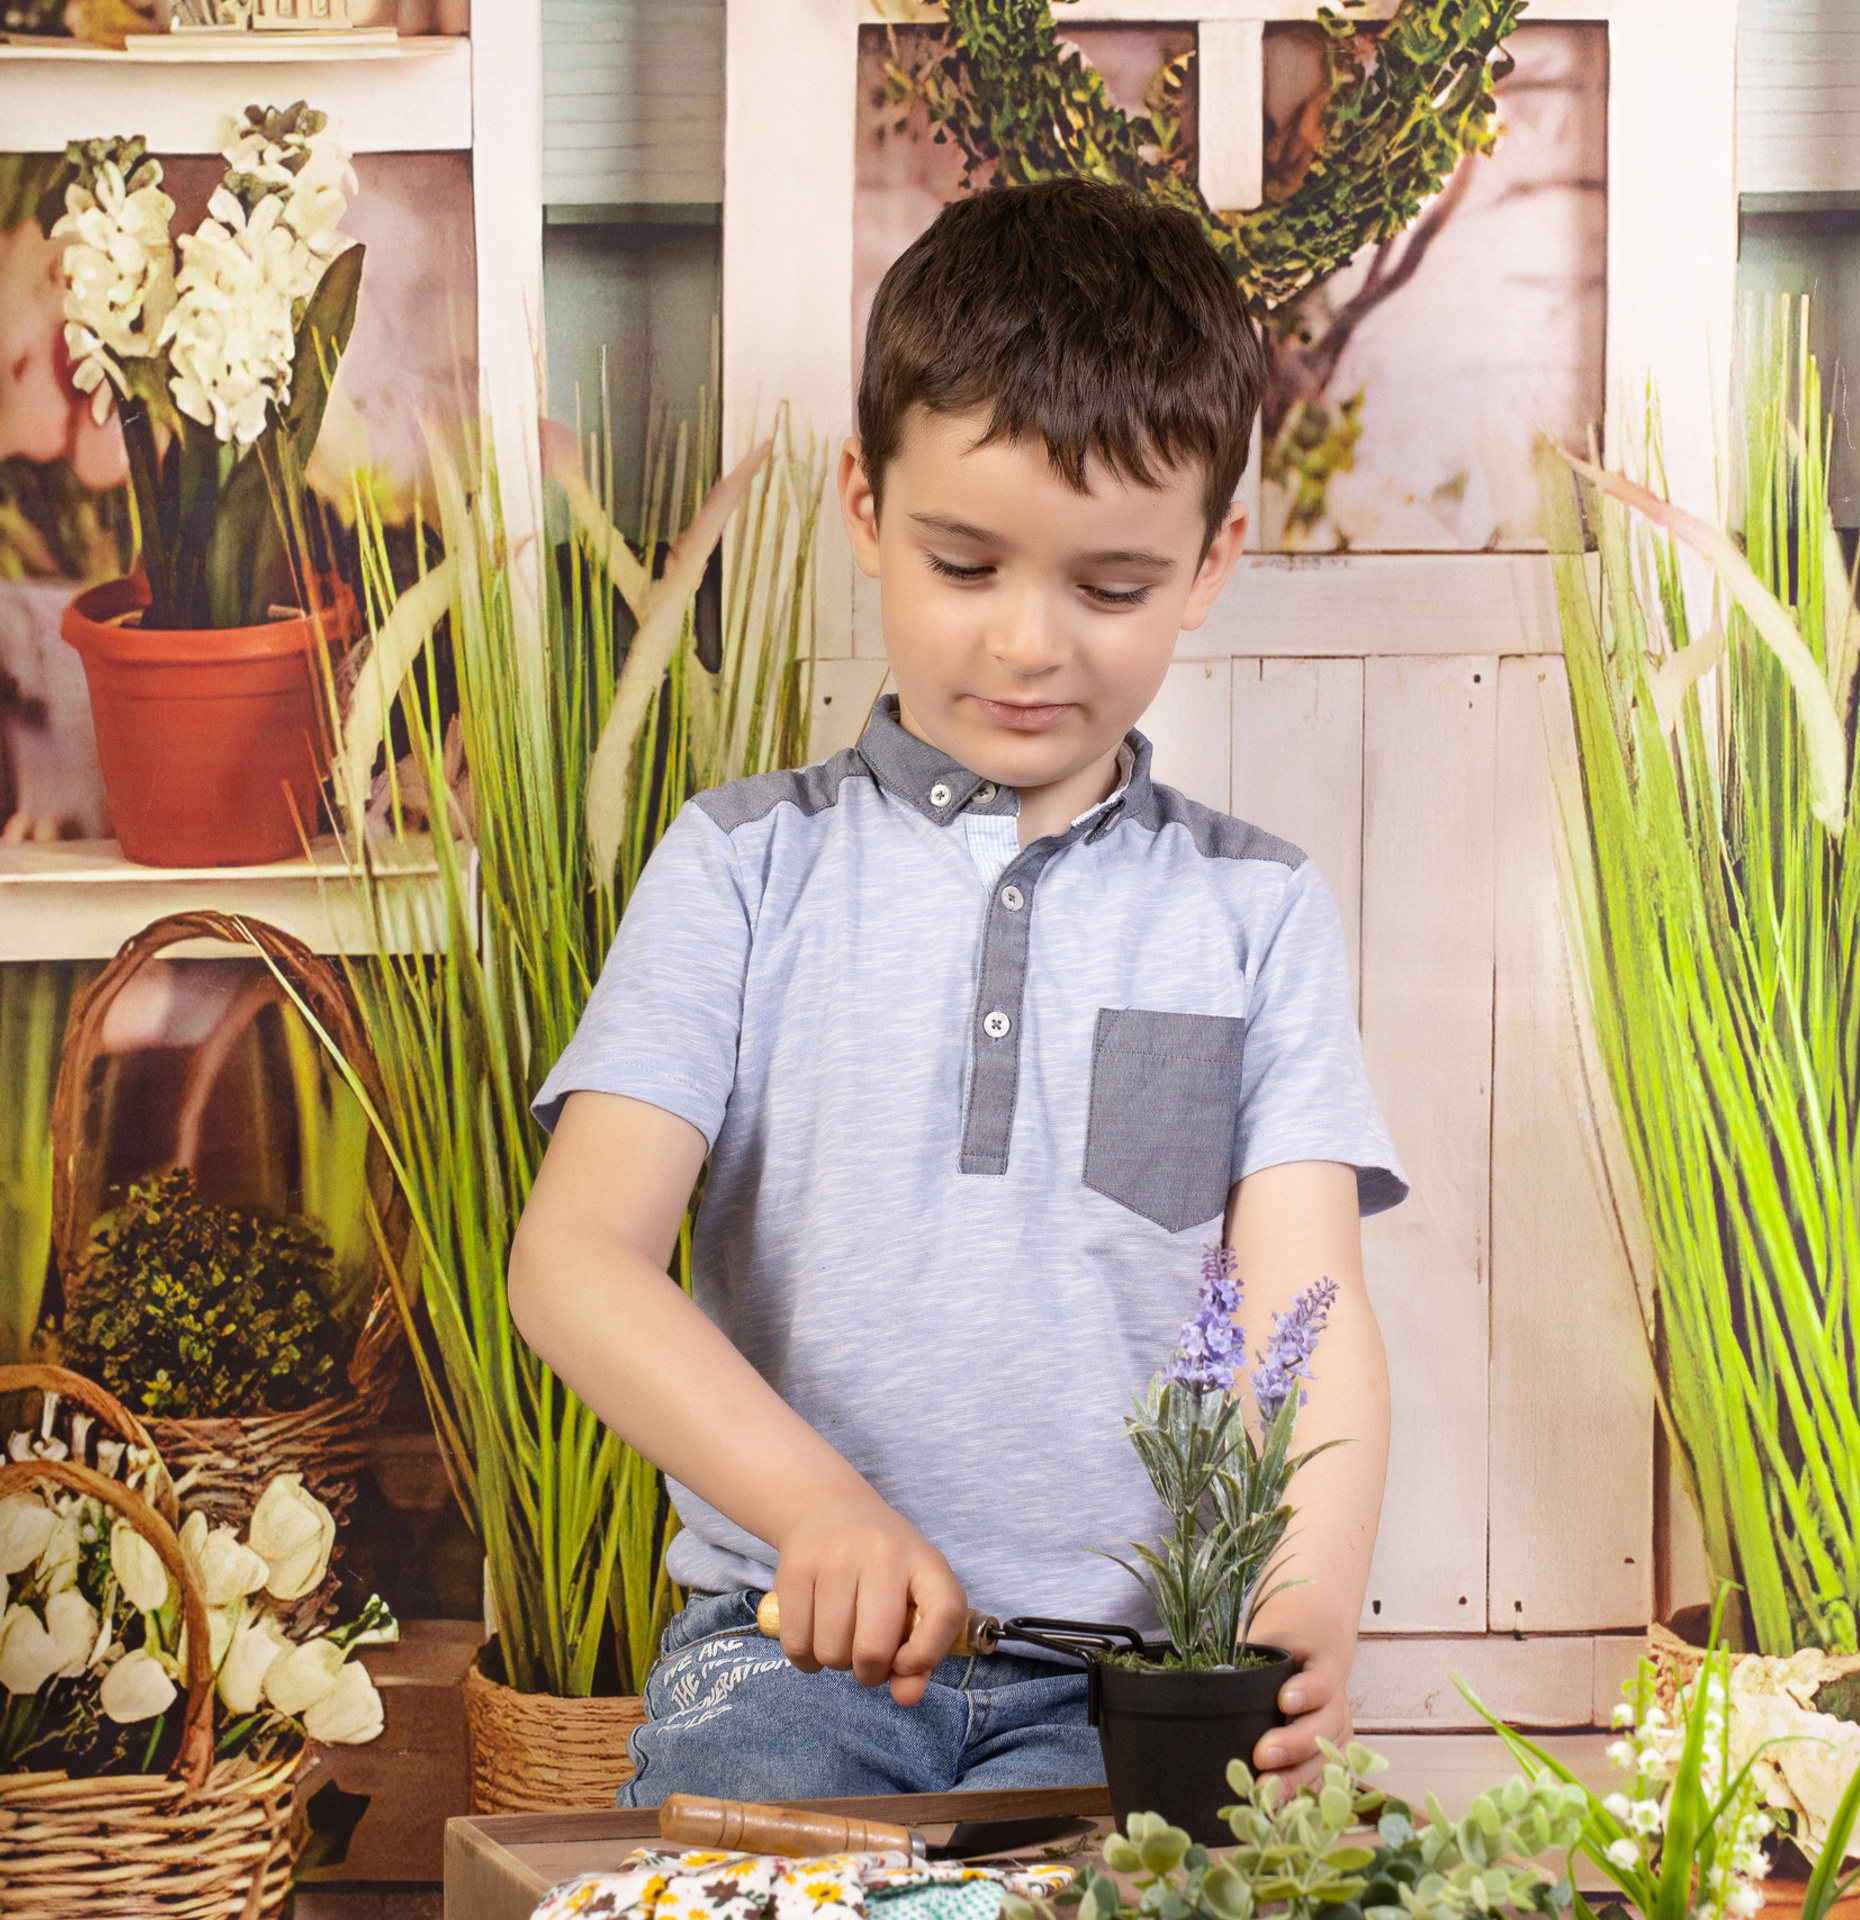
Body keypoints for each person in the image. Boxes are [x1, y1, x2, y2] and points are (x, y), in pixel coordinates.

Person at [508, 177, 1407, 1807]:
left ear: (1212, 562)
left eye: (1112, 587)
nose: (1028, 641)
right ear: (865, 504)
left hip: (1130, 1687)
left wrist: (1305, 1595)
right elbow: (576, 1261)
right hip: (788, 1660)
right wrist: (815, 1507)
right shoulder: (739, 870)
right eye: (965, 560)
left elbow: (1306, 1320)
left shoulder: (1253, 911)